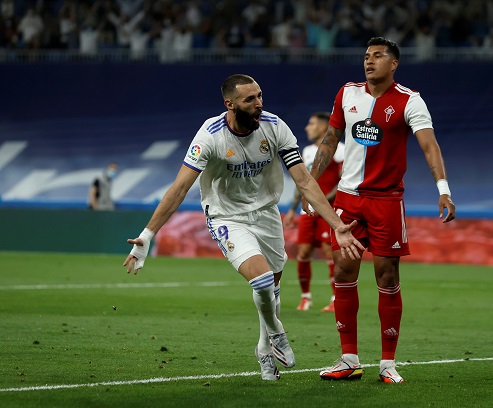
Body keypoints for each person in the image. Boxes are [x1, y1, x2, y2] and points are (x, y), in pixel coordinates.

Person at [122, 74, 364, 381]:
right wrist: (146, 235)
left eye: (260, 95)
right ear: (230, 104)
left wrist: (338, 226)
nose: (259, 103)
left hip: (266, 214)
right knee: (262, 281)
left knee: (272, 289)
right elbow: (180, 188)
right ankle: (277, 333)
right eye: (250, 99)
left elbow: (304, 179)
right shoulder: (211, 136)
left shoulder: (275, 127)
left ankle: (264, 349)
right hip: (227, 217)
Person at [303, 37, 456, 384]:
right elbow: (330, 139)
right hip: (347, 200)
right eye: (366, 56)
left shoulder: (410, 100)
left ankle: (388, 362)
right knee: (343, 272)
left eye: (377, 56)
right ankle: (349, 358)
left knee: (387, 276)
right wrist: (310, 185)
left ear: (394, 63)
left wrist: (443, 190)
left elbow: (429, 146)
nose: (369, 62)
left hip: (387, 201)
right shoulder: (347, 93)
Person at [283, 112, 345, 312]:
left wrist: (322, 200)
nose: (307, 128)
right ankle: (305, 298)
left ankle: (336, 299)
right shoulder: (307, 151)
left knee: (329, 252)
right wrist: (292, 209)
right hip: (307, 210)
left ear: (323, 127)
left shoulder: (340, 151)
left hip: (330, 210)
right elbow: (301, 182)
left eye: (311, 124)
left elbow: (343, 181)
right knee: (303, 252)